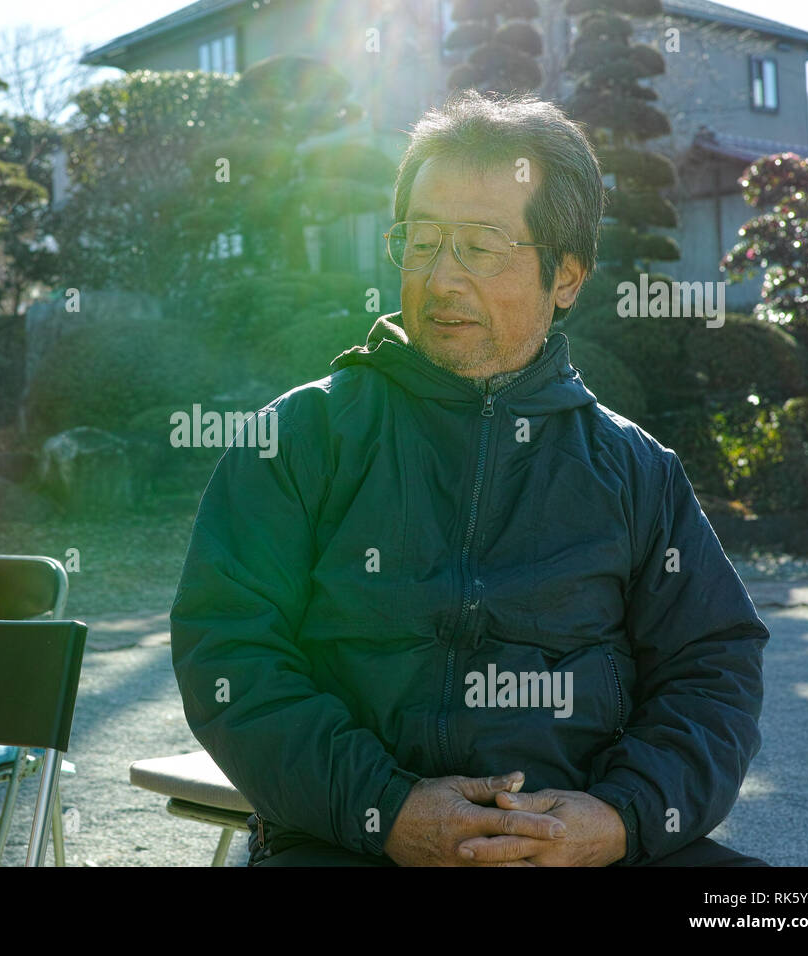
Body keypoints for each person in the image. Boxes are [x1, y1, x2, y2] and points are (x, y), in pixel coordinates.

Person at [169, 91, 769, 867]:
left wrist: (622, 819)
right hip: (353, 841)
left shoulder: (635, 472)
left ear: (568, 276)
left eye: (481, 247)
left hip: (582, 843)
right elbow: (230, 652)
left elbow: (712, 669)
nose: (441, 278)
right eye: (422, 241)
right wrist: (384, 807)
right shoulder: (297, 441)